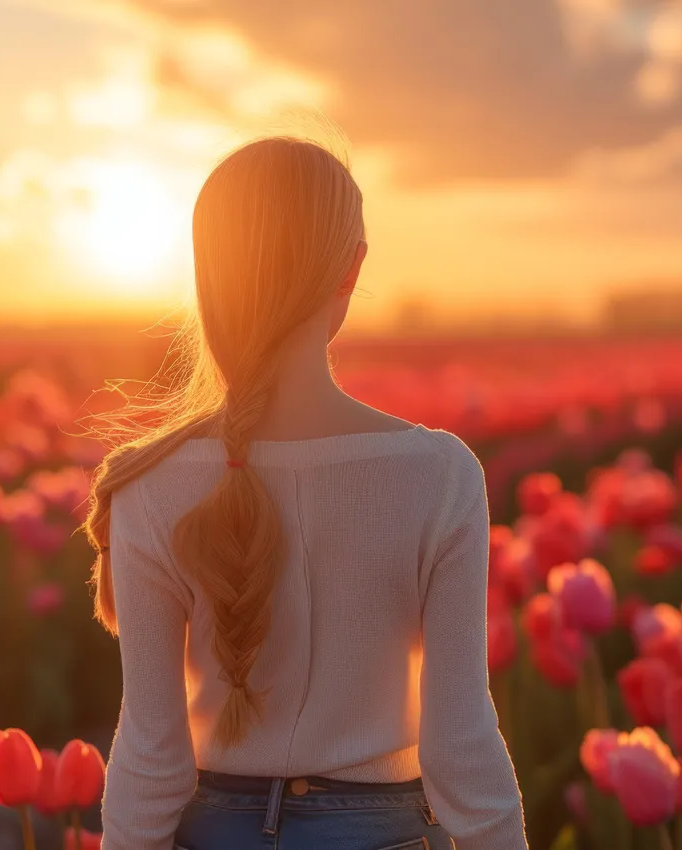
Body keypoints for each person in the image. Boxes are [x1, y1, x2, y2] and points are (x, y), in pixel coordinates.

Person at [84, 135, 527, 850]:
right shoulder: (439, 476)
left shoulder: (148, 483)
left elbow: (152, 755)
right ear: (351, 269)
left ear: (206, 275)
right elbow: (458, 748)